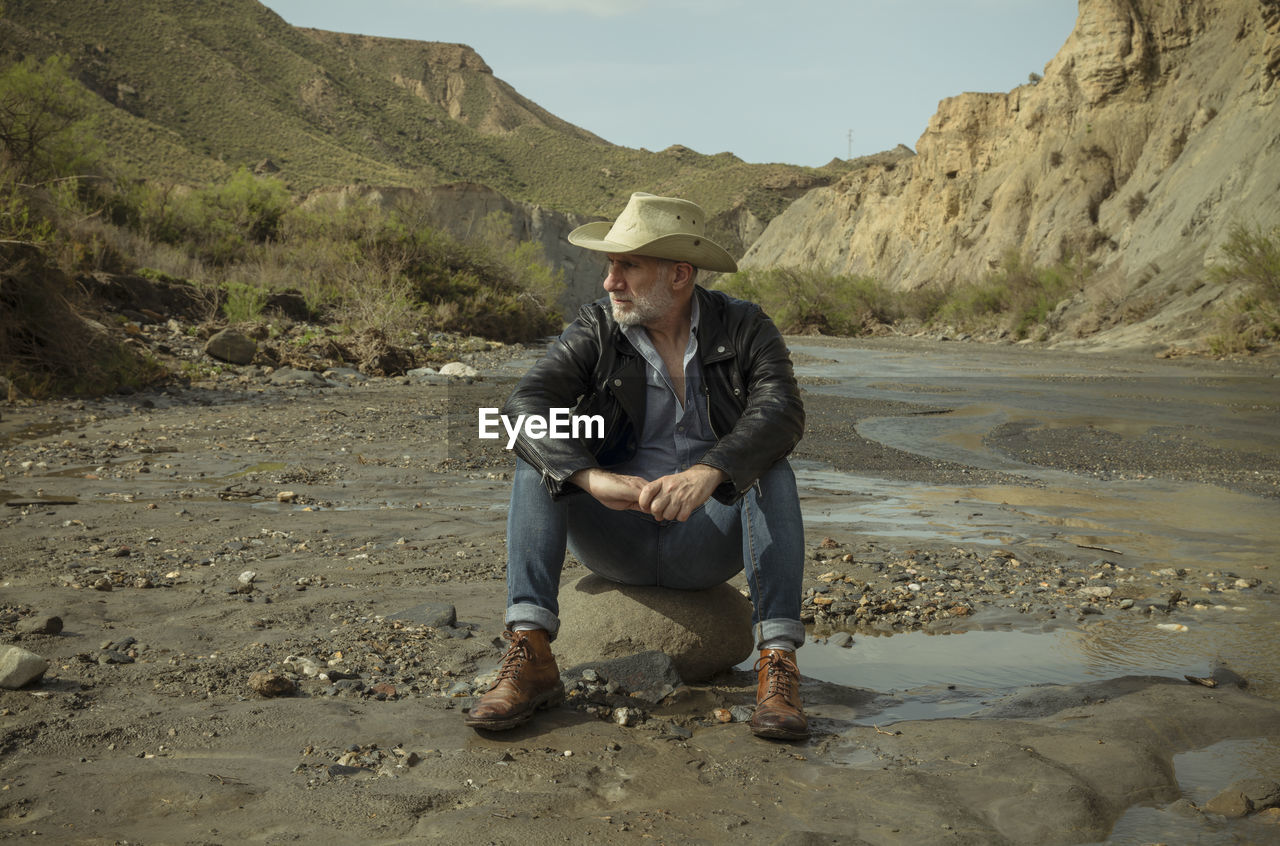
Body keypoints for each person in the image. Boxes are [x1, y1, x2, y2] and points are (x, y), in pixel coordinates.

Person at [464, 192, 809, 740]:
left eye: (627, 266)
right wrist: (590, 476)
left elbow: (783, 411)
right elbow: (517, 409)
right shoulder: (597, 328)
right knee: (538, 460)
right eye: (610, 265)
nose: (610, 282)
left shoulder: (744, 326)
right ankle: (529, 653)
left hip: (707, 535)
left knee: (769, 466)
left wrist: (710, 472)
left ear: (678, 274)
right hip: (615, 534)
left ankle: (777, 665)